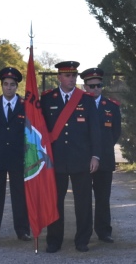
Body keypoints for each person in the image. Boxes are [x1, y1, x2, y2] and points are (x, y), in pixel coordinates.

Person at [40, 61, 101, 253]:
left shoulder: (86, 99)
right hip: (55, 159)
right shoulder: (48, 99)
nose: (72, 79)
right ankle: (54, 240)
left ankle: (82, 239)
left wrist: (95, 156)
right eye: (68, 75)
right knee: (55, 201)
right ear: (59, 77)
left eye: (74, 75)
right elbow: (41, 129)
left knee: (83, 202)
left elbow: (95, 131)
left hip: (81, 158)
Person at [0, 67, 31, 242]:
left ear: (17, 87)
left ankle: (23, 231)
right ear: (1, 85)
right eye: (6, 84)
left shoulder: (25, 105)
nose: (9, 88)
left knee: (20, 195)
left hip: (18, 157)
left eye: (12, 85)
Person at [81, 67, 121, 243]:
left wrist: (101, 151)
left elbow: (115, 132)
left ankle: (104, 231)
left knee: (103, 198)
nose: (96, 89)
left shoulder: (111, 106)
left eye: (99, 85)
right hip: (82, 159)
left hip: (104, 159)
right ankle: (84, 232)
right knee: (83, 198)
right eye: (92, 86)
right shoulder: (78, 104)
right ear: (85, 86)